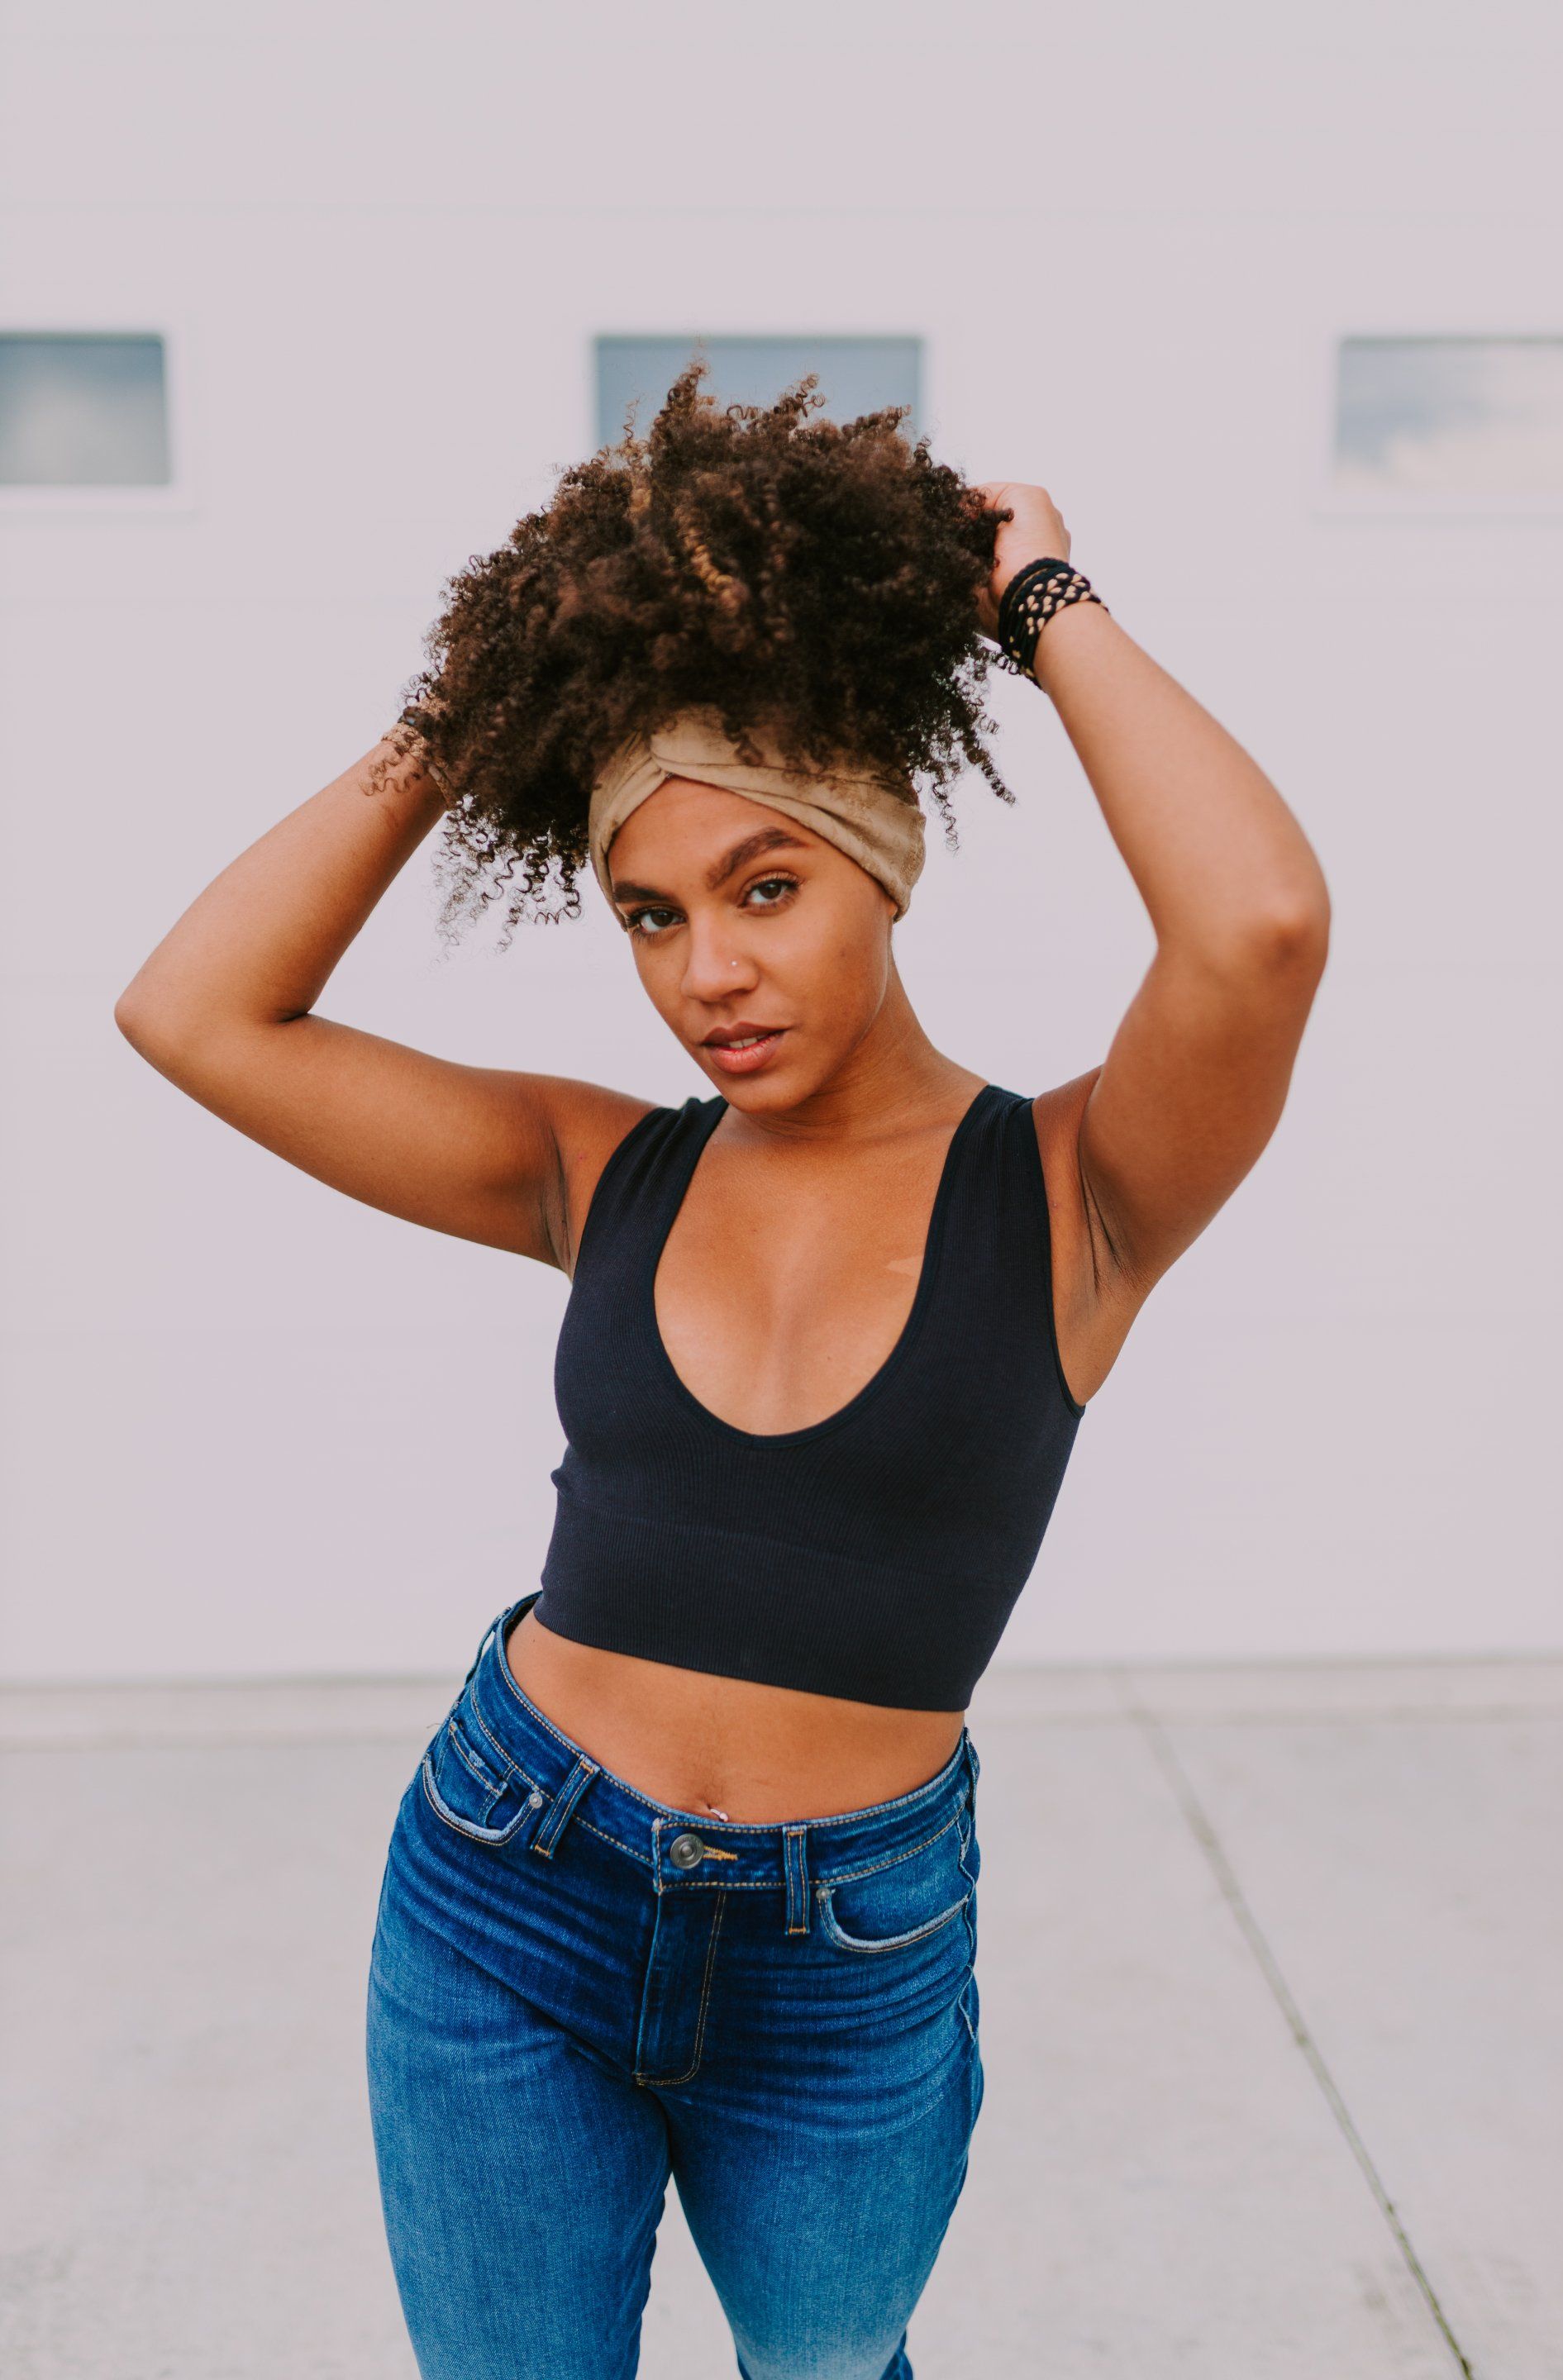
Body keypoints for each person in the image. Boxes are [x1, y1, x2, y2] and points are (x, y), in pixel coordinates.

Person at [114, 364, 1331, 2380]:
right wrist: (473, 708)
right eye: (652, 916)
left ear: (883, 865)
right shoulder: (604, 1171)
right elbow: (196, 1011)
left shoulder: (1078, 1191)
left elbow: (1261, 925)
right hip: (506, 1888)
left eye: (767, 890)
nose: (708, 974)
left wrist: (1045, 603)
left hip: (841, 1961)